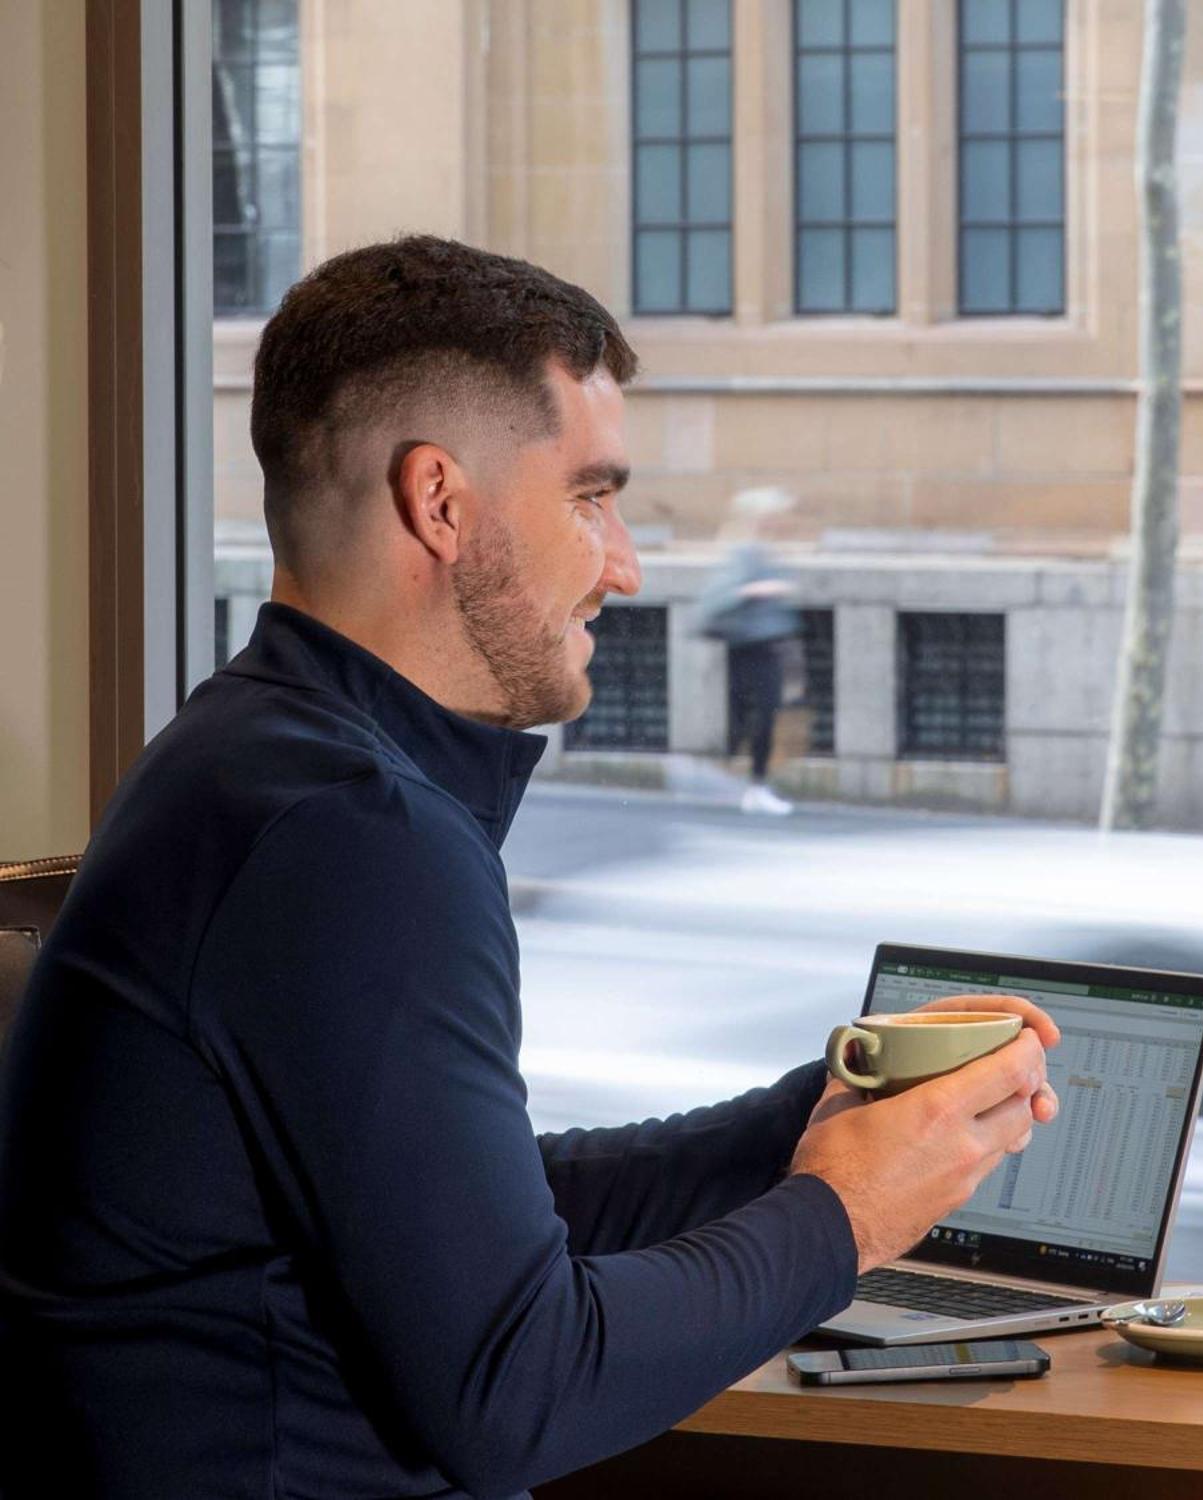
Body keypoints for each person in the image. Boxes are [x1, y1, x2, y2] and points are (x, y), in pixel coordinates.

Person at [0, 236, 1058, 1499]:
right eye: (590, 499)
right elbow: (521, 1388)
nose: (624, 564)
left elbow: (474, 1220)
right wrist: (845, 1219)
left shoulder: (250, 760)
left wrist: (811, 1120)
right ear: (439, 502)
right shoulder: (351, 835)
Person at [697, 488, 804, 816]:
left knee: (762, 716)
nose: (780, 521)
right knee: (754, 716)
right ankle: (748, 784)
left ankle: (752, 784)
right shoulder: (743, 552)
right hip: (750, 647)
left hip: (770, 645)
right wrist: (761, 589)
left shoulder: (765, 551)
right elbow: (721, 595)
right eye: (773, 515)